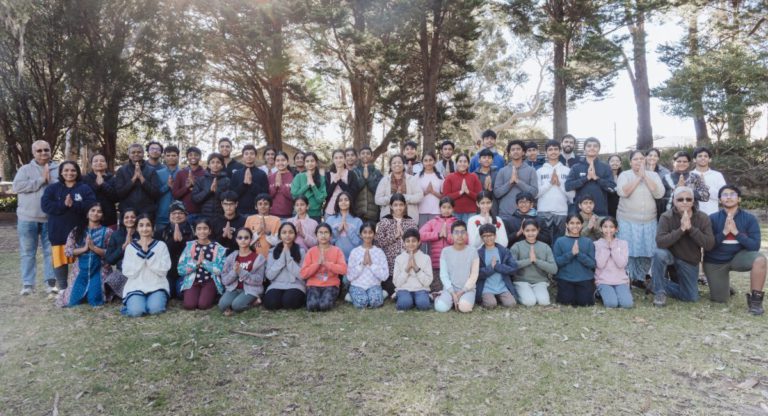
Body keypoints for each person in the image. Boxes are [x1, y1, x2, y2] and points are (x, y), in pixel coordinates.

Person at [703, 185, 765, 315]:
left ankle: (755, 302)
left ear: (739, 199)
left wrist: (736, 233)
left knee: (760, 260)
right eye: (725, 195)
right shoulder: (711, 218)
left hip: (738, 257)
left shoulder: (750, 219)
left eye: (732, 194)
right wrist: (725, 232)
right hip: (715, 262)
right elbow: (708, 246)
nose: (729, 197)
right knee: (719, 299)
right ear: (720, 200)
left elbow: (754, 247)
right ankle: (725, 288)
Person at [651, 186, 715, 307]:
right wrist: (681, 230)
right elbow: (660, 242)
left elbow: (709, 245)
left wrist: (690, 229)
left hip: (689, 259)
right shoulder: (666, 217)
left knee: (691, 297)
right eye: (680, 199)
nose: (684, 202)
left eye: (688, 199)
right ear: (674, 201)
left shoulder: (703, 218)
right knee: (658, 253)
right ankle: (659, 292)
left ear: (693, 201)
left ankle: (655, 284)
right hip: (670, 256)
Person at [42, 161, 97, 291]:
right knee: (60, 260)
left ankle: (81, 287)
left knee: (82, 259)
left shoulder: (84, 188)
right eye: (66, 170)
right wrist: (64, 205)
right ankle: (62, 288)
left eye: (73, 170)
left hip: (79, 230)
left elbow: (91, 205)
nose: (69, 173)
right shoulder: (52, 188)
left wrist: (74, 205)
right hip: (58, 231)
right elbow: (46, 206)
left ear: (77, 172)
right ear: (61, 172)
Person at [13, 140, 58, 295]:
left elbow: (65, 186)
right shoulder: (25, 169)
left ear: (50, 151)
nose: (43, 153)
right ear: (33, 153)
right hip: (27, 218)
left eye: (46, 149)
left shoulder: (58, 168)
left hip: (50, 219)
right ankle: (27, 285)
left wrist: (50, 181)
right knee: (27, 252)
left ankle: (51, 284)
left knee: (50, 252)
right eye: (39, 151)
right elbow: (17, 187)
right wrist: (41, 180)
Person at [616, 150, 664, 288]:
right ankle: (627, 278)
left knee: (647, 250)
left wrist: (645, 177)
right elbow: (623, 192)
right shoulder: (624, 175)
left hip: (649, 220)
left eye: (641, 159)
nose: (639, 161)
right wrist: (638, 178)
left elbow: (659, 194)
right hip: (627, 220)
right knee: (628, 251)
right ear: (630, 162)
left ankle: (640, 278)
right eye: (635, 159)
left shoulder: (653, 175)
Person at [57, 202, 112, 308]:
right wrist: (84, 249)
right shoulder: (77, 230)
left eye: (99, 211)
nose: (95, 213)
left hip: (99, 270)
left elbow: (110, 253)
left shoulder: (108, 232)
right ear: (87, 214)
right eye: (93, 210)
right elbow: (68, 251)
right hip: (80, 271)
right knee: (72, 301)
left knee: (95, 300)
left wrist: (94, 248)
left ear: (102, 215)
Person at [121, 214, 172, 317]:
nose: (144, 228)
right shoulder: (130, 247)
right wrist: (141, 255)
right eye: (141, 225)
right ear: (136, 228)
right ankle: (135, 303)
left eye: (148, 225)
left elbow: (163, 270)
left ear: (153, 227)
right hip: (136, 287)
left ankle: (155, 300)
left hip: (157, 285)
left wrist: (148, 254)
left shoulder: (161, 245)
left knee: (155, 310)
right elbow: (128, 272)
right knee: (136, 312)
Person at [178, 219, 227, 310]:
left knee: (203, 305)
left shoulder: (218, 248)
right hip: (193, 281)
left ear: (210, 231)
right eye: (199, 229)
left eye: (205, 228)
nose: (202, 231)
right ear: (195, 232)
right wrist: (196, 264)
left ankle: (212, 294)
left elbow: (220, 270)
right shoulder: (189, 246)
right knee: (189, 305)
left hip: (210, 280)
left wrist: (204, 262)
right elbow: (180, 269)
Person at [375, 193, 419, 296]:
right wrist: (394, 236)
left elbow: (417, 241)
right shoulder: (385, 221)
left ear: (405, 206)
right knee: (391, 287)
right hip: (390, 265)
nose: (398, 208)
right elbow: (379, 242)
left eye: (401, 205)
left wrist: (404, 236)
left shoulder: (410, 222)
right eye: (395, 205)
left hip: (407, 263)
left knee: (407, 284)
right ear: (391, 206)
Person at [434, 220, 480, 313]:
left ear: (466, 234)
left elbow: (474, 275)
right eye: (456, 232)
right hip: (449, 289)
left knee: (464, 308)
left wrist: (462, 291)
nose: (460, 235)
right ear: (451, 235)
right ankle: (439, 297)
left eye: (463, 232)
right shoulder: (445, 251)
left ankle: (459, 301)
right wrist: (452, 292)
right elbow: (443, 275)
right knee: (441, 308)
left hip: (467, 289)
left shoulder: (473, 251)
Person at [300, 223, 348, 312]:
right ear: (316, 235)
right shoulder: (311, 251)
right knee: (312, 306)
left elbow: (343, 270)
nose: (323, 235)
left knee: (324, 306)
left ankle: (329, 299)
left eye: (326, 232)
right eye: (320, 232)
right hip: (313, 285)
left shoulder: (337, 251)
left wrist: (327, 263)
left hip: (331, 285)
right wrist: (317, 264)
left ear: (330, 235)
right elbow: (303, 274)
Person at [509, 219, 557, 306]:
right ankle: (518, 293)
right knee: (530, 302)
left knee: (544, 302)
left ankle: (533, 293)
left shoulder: (545, 247)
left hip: (540, 281)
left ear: (538, 230)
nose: (530, 233)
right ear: (523, 231)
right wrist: (529, 260)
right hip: (521, 281)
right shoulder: (517, 246)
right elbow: (511, 266)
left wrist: (536, 260)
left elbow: (554, 269)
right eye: (527, 230)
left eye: (533, 230)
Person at [219, 228, 265, 315]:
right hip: (234, 288)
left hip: (251, 289)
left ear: (251, 240)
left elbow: (258, 280)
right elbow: (225, 280)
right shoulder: (231, 257)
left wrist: (241, 271)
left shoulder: (258, 258)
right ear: (236, 240)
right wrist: (234, 272)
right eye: (240, 238)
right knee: (222, 306)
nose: (243, 240)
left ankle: (254, 302)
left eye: (246, 237)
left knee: (237, 306)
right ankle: (235, 304)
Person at [565, 137, 616, 217]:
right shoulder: (576, 167)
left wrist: (596, 178)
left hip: (601, 213)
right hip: (580, 214)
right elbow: (567, 186)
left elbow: (612, 188)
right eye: (589, 146)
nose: (592, 148)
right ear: (584, 149)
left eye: (595, 146)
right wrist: (586, 178)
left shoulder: (605, 167)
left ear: (599, 149)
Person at [153, 201, 195, 298]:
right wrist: (172, 241)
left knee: (181, 294)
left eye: (180, 213)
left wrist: (182, 241)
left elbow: (194, 252)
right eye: (174, 213)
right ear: (169, 215)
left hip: (186, 272)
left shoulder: (193, 230)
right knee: (169, 293)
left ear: (186, 214)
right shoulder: (161, 232)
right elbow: (159, 254)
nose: (177, 216)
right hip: (168, 272)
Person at [553, 214, 597, 307]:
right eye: (572, 223)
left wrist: (579, 254)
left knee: (585, 303)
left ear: (582, 225)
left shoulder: (588, 241)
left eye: (578, 223)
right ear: (567, 225)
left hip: (585, 278)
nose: (575, 226)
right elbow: (557, 263)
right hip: (565, 278)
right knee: (566, 302)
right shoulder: (560, 241)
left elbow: (592, 264)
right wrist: (571, 254)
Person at [536, 140, 573, 246]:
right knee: (543, 244)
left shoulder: (567, 170)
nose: (553, 152)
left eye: (556, 149)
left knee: (559, 244)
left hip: (561, 213)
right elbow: (536, 194)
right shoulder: (539, 171)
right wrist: (549, 183)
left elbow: (572, 196)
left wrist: (559, 184)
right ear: (546, 152)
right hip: (543, 212)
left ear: (560, 151)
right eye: (550, 149)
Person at [263, 222, 307, 310]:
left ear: (295, 235)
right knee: (271, 304)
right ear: (279, 235)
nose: (287, 235)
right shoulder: (272, 252)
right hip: (276, 285)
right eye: (284, 232)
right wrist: (283, 257)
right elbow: (269, 276)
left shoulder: (301, 251)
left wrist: (288, 258)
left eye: (291, 232)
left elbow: (302, 275)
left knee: (289, 302)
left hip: (295, 285)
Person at [494, 140, 538, 226]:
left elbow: (534, 192)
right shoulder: (502, 171)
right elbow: (497, 193)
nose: (515, 151)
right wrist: (510, 182)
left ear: (523, 152)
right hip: (505, 215)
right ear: (509, 153)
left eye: (518, 149)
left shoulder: (531, 170)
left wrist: (518, 181)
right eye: (513, 149)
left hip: (526, 216)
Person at [419, 197, 457, 293]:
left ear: (453, 209)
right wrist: (438, 235)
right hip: (436, 264)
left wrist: (448, 236)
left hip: (452, 264)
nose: (446, 210)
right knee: (436, 289)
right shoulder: (433, 222)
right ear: (440, 208)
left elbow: (464, 240)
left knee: (450, 288)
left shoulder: (456, 223)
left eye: (449, 207)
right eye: (444, 207)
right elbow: (420, 235)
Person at [346, 222, 388, 309]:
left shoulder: (379, 252)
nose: (367, 235)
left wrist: (371, 264)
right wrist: (362, 264)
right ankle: (352, 296)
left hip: (374, 285)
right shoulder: (355, 252)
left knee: (375, 303)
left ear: (374, 235)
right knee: (361, 303)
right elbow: (349, 276)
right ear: (360, 235)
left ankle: (378, 294)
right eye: (365, 232)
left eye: (370, 232)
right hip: (357, 285)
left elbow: (384, 276)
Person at [115, 143, 162, 220]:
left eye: (139, 152)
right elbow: (119, 194)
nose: (136, 154)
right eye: (133, 152)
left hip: (147, 212)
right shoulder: (122, 171)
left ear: (143, 154)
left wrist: (141, 178)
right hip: (127, 212)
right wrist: (133, 179)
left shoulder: (151, 171)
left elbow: (155, 193)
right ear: (129, 154)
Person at [476, 223, 518, 309]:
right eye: (485, 236)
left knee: (511, 304)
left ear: (495, 236)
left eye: (491, 235)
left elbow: (513, 269)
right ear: (481, 238)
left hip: (502, 286)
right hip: (486, 287)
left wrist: (497, 266)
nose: (488, 238)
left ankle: (499, 297)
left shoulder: (504, 251)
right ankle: (491, 298)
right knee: (491, 304)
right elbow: (477, 273)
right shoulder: (479, 253)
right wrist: (491, 268)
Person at [594, 217, 633, 308]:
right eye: (605, 227)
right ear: (601, 228)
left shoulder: (623, 244)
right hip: (604, 280)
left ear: (616, 229)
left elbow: (621, 264)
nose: (608, 229)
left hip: (620, 280)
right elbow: (600, 264)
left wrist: (613, 247)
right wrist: (606, 247)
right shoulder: (597, 244)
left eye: (611, 227)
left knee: (627, 305)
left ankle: (618, 293)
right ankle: (599, 293)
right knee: (611, 304)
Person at [393, 229, 433, 311]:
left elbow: (428, 281)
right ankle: (401, 296)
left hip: (421, 289)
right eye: (408, 241)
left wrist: (416, 267)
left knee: (423, 305)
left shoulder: (426, 258)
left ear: (419, 242)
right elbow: (397, 283)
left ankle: (423, 298)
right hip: (404, 289)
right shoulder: (399, 258)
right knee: (404, 304)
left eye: (414, 241)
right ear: (404, 243)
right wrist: (407, 268)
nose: (411, 244)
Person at [103, 209, 139, 300]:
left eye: (132, 217)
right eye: (126, 217)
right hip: (122, 271)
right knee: (110, 281)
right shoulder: (116, 235)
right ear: (122, 219)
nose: (129, 219)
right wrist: (123, 248)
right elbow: (109, 259)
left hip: (139, 271)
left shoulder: (142, 232)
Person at [375, 154, 424, 220]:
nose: (397, 164)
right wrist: (392, 198)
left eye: (399, 162)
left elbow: (419, 196)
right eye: (394, 163)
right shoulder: (385, 180)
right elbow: (377, 200)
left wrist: (403, 197)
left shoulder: (412, 179)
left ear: (404, 165)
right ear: (391, 166)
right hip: (388, 220)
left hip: (409, 219)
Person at [230, 144, 269, 216]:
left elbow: (265, 194)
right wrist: (244, 184)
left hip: (257, 212)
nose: (249, 156)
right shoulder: (236, 174)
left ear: (255, 156)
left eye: (252, 153)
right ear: (243, 156)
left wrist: (251, 184)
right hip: (239, 212)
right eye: (246, 154)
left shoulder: (262, 174)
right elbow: (233, 195)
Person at [81, 153, 118, 228]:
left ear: (106, 164)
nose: (99, 163)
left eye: (102, 161)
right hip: (89, 219)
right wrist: (97, 185)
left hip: (109, 217)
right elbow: (83, 197)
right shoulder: (84, 179)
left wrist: (104, 184)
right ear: (91, 164)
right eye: (95, 161)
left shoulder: (113, 178)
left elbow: (116, 198)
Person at [442, 153, 481, 223]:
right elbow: (445, 197)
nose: (462, 164)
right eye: (460, 161)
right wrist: (460, 192)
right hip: (454, 212)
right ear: (456, 163)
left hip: (471, 212)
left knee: (470, 233)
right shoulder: (450, 177)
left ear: (468, 164)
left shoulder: (474, 177)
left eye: (465, 161)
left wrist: (467, 192)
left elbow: (479, 197)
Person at [192, 153, 231, 219]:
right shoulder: (201, 180)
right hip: (204, 217)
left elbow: (229, 199)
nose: (215, 165)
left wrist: (216, 191)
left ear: (222, 165)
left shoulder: (226, 180)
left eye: (218, 162)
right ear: (209, 165)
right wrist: (209, 191)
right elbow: (195, 199)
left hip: (221, 216)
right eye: (212, 162)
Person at [325, 192, 362, 261]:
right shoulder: (330, 220)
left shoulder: (358, 221)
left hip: (354, 259)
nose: (343, 202)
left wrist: (348, 230)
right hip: (335, 260)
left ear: (350, 202)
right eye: (340, 200)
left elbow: (360, 243)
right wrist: (338, 231)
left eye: (346, 200)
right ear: (337, 203)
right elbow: (327, 242)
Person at [290, 152, 326, 222]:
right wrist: (307, 185)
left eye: (312, 161)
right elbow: (294, 195)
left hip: (315, 214)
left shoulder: (322, 178)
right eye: (307, 161)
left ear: (316, 163)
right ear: (304, 163)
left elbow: (321, 199)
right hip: (299, 213)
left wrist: (313, 185)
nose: (310, 163)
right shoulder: (298, 177)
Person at [172, 146, 206, 219]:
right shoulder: (181, 173)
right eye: (190, 155)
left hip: (202, 212)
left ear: (200, 157)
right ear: (187, 157)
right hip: (185, 213)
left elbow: (207, 193)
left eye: (196, 155)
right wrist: (187, 187)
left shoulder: (205, 173)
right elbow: (175, 195)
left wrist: (195, 185)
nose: (193, 157)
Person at [244, 193, 282, 259]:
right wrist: (258, 231)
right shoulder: (249, 219)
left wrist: (267, 233)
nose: (263, 206)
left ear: (271, 206)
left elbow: (278, 242)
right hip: (252, 256)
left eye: (266, 204)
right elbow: (245, 241)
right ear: (256, 206)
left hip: (271, 256)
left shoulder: (276, 220)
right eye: (260, 204)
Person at [324, 149, 359, 218]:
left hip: (347, 212)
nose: (338, 160)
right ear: (333, 160)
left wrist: (340, 181)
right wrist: (334, 182)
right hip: (330, 211)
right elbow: (326, 195)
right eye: (336, 158)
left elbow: (353, 194)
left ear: (344, 159)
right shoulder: (328, 175)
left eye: (341, 157)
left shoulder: (351, 174)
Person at [353, 146, 384, 223]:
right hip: (358, 212)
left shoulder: (377, 173)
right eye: (363, 153)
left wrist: (368, 179)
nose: (365, 155)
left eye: (368, 153)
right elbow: (354, 190)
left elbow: (378, 191)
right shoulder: (354, 172)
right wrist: (363, 178)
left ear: (371, 156)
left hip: (373, 213)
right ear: (359, 156)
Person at [692, 147, 726, 216]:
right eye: (700, 156)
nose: (703, 158)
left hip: (713, 214)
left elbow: (723, 196)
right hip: (693, 216)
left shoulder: (717, 175)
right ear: (694, 160)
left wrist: (705, 186)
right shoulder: (689, 175)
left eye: (705, 156)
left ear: (710, 159)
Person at [210, 191, 247, 255]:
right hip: (218, 257)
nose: (228, 207)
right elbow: (211, 243)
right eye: (226, 204)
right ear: (222, 204)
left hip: (238, 256)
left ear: (236, 204)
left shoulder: (243, 221)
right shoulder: (215, 221)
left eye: (231, 204)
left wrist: (231, 237)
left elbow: (246, 243)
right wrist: (223, 236)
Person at [153, 145, 179, 232]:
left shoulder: (183, 173)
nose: (171, 157)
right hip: (162, 214)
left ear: (178, 156)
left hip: (179, 215)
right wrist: (167, 186)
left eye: (173, 155)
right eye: (168, 155)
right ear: (164, 157)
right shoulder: (157, 173)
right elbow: (154, 193)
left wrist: (174, 188)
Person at [417, 151, 443, 228]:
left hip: (436, 211)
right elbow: (415, 196)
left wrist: (433, 192)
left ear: (434, 161)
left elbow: (443, 196)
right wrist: (426, 192)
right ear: (422, 162)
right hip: (421, 211)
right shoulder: (417, 177)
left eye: (430, 160)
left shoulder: (440, 177)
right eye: (425, 160)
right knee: (423, 236)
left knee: (435, 236)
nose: (428, 163)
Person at [645, 148, 672, 220]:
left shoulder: (665, 172)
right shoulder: (640, 170)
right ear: (646, 157)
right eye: (650, 155)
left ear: (658, 158)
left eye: (655, 156)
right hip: (644, 202)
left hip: (659, 203)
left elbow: (668, 189)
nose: (652, 158)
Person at [267, 151, 294, 219]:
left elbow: (293, 196)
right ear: (275, 162)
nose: (280, 163)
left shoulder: (293, 176)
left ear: (287, 162)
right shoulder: (270, 177)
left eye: (283, 160)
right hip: (272, 215)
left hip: (288, 215)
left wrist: (281, 186)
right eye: (278, 160)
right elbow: (268, 197)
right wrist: (275, 187)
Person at [473, 149, 499, 215]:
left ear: (492, 161)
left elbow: (498, 192)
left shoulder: (497, 174)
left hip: (493, 207)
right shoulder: (474, 175)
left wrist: (491, 189)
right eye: (484, 157)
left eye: (489, 158)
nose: (487, 159)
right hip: (478, 207)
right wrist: (484, 189)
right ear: (479, 160)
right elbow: (473, 193)